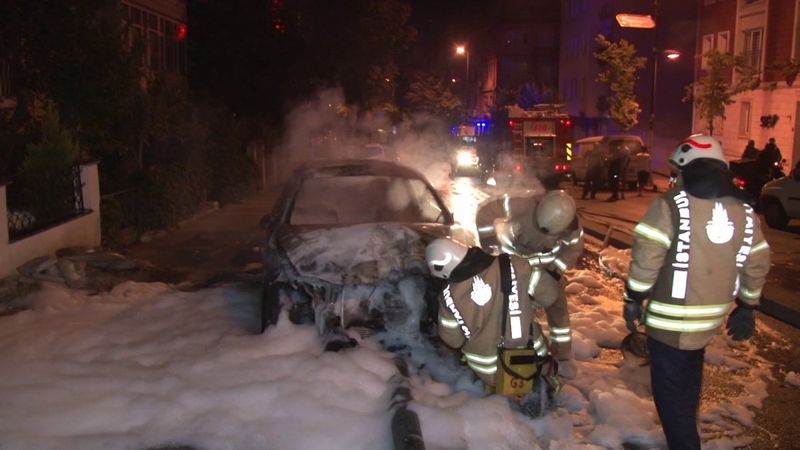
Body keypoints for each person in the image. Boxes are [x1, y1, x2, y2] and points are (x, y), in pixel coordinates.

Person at [623, 134, 771, 450]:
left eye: (678, 172)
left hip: (670, 322)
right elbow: (757, 260)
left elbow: (647, 257)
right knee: (687, 384)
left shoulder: (669, 205)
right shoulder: (744, 212)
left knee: (670, 397)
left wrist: (634, 297)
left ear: (689, 168)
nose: (675, 178)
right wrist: (747, 305)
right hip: (709, 321)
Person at [425, 238, 558, 417]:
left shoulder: (448, 297)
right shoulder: (514, 265)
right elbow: (550, 295)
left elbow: (452, 340)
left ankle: (503, 390)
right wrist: (526, 304)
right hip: (530, 353)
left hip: (488, 369)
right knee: (534, 339)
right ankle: (543, 381)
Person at [475, 190, 583, 375]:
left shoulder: (572, 228)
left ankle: (562, 353)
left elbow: (572, 252)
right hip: (511, 262)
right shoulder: (520, 204)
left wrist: (555, 272)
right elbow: (485, 211)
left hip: (544, 268)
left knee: (557, 304)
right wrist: (489, 242)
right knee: (509, 306)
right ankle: (503, 341)